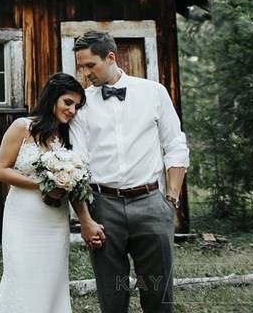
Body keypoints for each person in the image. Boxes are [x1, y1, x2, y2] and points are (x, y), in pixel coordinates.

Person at [69, 30, 189, 313]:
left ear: (111, 57)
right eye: (81, 67)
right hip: (103, 205)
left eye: (90, 65)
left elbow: (175, 144)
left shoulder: (153, 93)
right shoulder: (82, 106)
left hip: (150, 201)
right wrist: (84, 218)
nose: (85, 73)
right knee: (112, 296)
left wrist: (171, 196)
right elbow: (77, 163)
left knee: (158, 292)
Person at [0, 72, 87, 313]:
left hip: (55, 220)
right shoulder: (22, 127)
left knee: (51, 277)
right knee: (22, 273)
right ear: (53, 98)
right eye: (68, 102)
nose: (72, 110)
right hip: (23, 215)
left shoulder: (65, 139)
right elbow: (0, 171)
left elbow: (75, 186)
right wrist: (43, 184)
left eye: (76, 106)